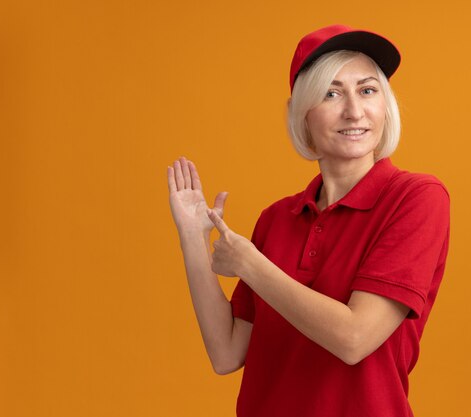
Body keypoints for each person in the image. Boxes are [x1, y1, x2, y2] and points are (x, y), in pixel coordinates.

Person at [166, 24, 450, 417]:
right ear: (302, 114)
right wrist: (193, 236)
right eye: (331, 93)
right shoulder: (277, 219)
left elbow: (354, 337)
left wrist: (250, 264)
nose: (354, 110)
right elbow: (226, 352)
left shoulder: (416, 198)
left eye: (368, 90)